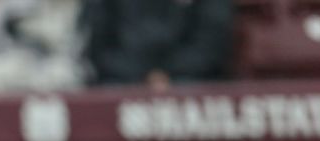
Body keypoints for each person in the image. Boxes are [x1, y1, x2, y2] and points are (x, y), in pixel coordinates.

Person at [81, 0, 232, 89]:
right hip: (122, 79)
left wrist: (167, 73)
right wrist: (143, 76)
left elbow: (211, 43)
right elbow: (98, 46)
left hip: (191, 78)